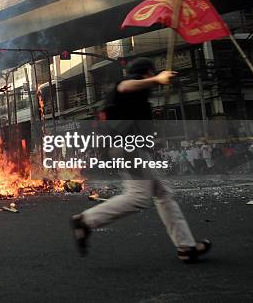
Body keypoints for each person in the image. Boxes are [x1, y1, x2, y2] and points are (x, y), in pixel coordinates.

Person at [70, 58, 212, 264]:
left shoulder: (136, 101)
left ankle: (186, 247)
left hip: (132, 149)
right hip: (128, 150)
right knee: (138, 197)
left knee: (163, 192)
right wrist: (158, 79)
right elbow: (126, 86)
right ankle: (85, 221)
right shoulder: (127, 86)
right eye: (151, 74)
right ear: (146, 73)